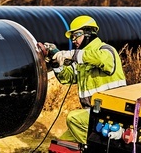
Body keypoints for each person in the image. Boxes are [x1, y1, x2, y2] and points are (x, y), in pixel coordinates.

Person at [45, 15, 127, 144]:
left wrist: (71, 54)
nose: (73, 40)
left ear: (89, 33)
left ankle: (99, 148)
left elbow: (99, 59)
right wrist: (56, 64)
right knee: (64, 143)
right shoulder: (81, 58)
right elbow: (67, 78)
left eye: (75, 35)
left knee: (73, 118)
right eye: (71, 37)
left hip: (111, 114)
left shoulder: (106, 51)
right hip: (92, 113)